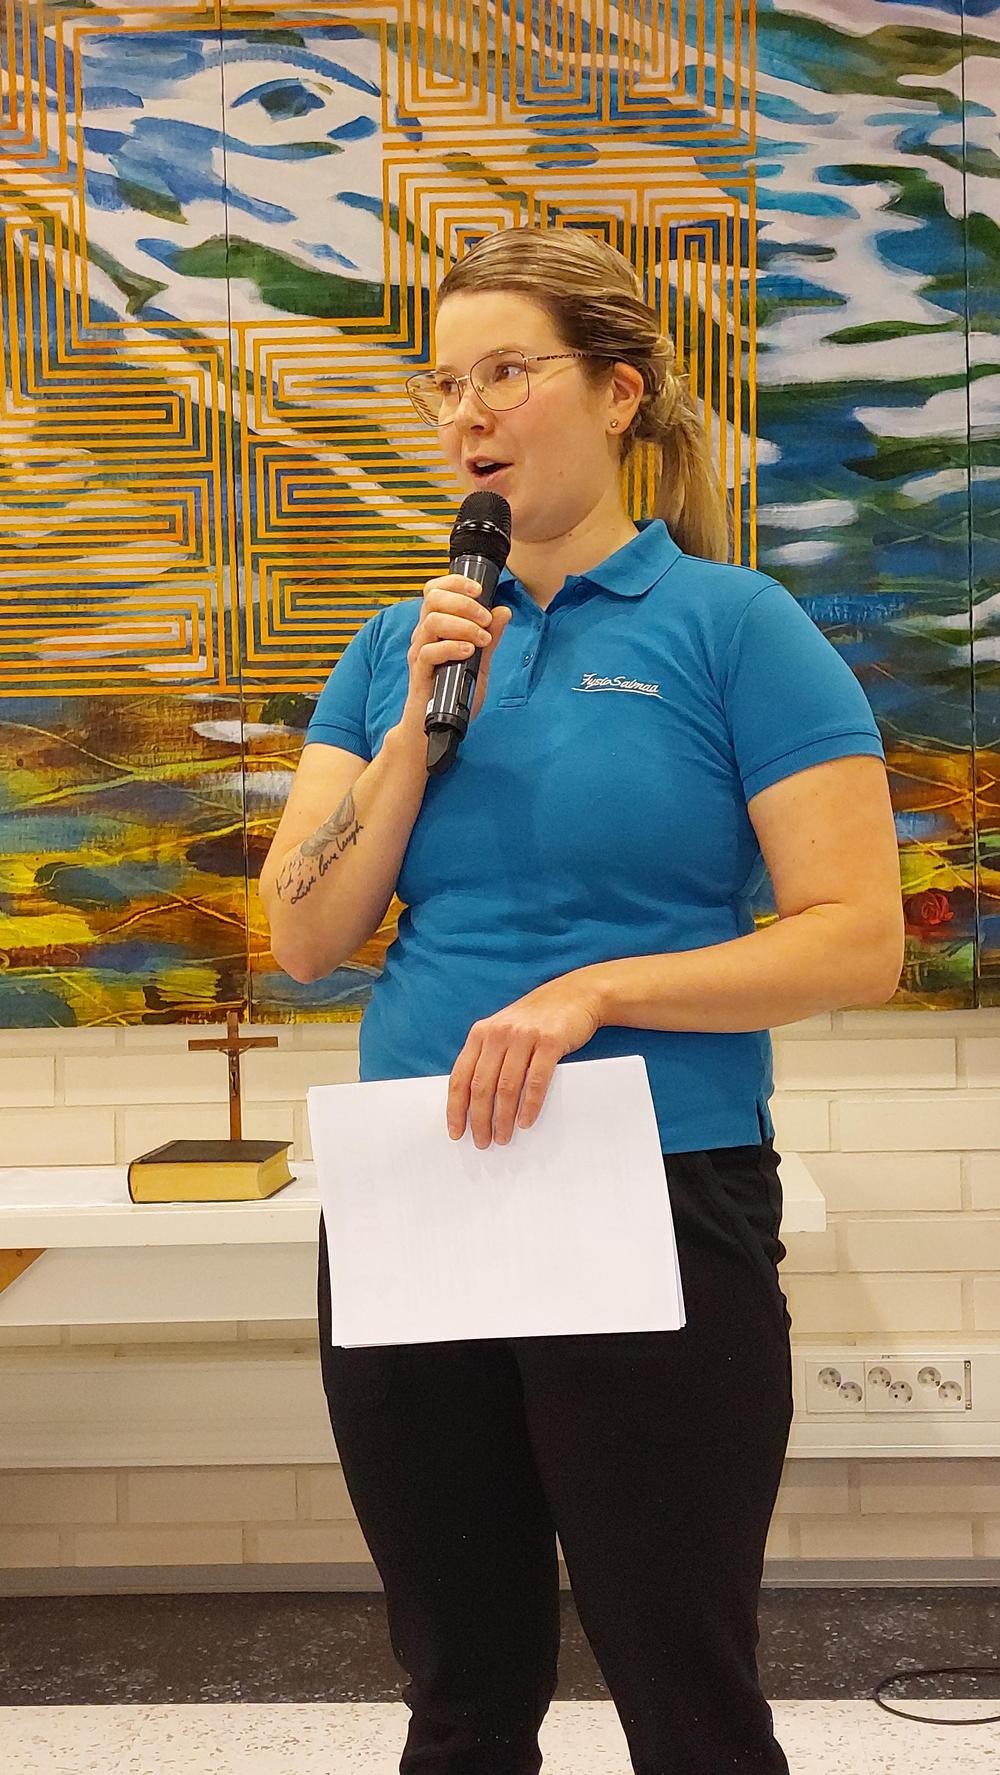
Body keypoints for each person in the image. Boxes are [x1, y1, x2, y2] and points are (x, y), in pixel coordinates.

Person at [260, 226, 903, 1774]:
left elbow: (855, 940)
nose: (466, 412)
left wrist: (594, 991)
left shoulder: (734, 626)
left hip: (657, 1184)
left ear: (618, 393)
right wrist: (414, 733)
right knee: (462, 1691)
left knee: (683, 1689)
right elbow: (303, 934)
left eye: (507, 371)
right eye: (445, 383)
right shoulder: (396, 648)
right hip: (422, 1186)